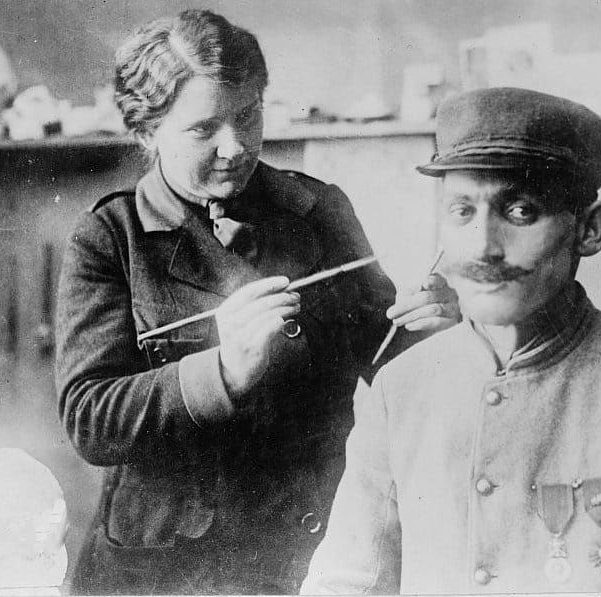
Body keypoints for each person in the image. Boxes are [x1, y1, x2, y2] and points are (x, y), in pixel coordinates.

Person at [54, 9, 457, 595]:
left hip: (308, 545)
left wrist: (432, 333)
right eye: (203, 130)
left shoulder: (318, 211)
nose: (234, 146)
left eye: (248, 116)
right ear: (148, 132)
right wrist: (219, 371)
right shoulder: (111, 238)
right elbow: (90, 418)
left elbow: (386, 356)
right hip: (168, 564)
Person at [301, 87, 601, 594]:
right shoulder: (400, 390)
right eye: (463, 212)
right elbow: (344, 582)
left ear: (590, 230)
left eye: (521, 211)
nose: (484, 248)